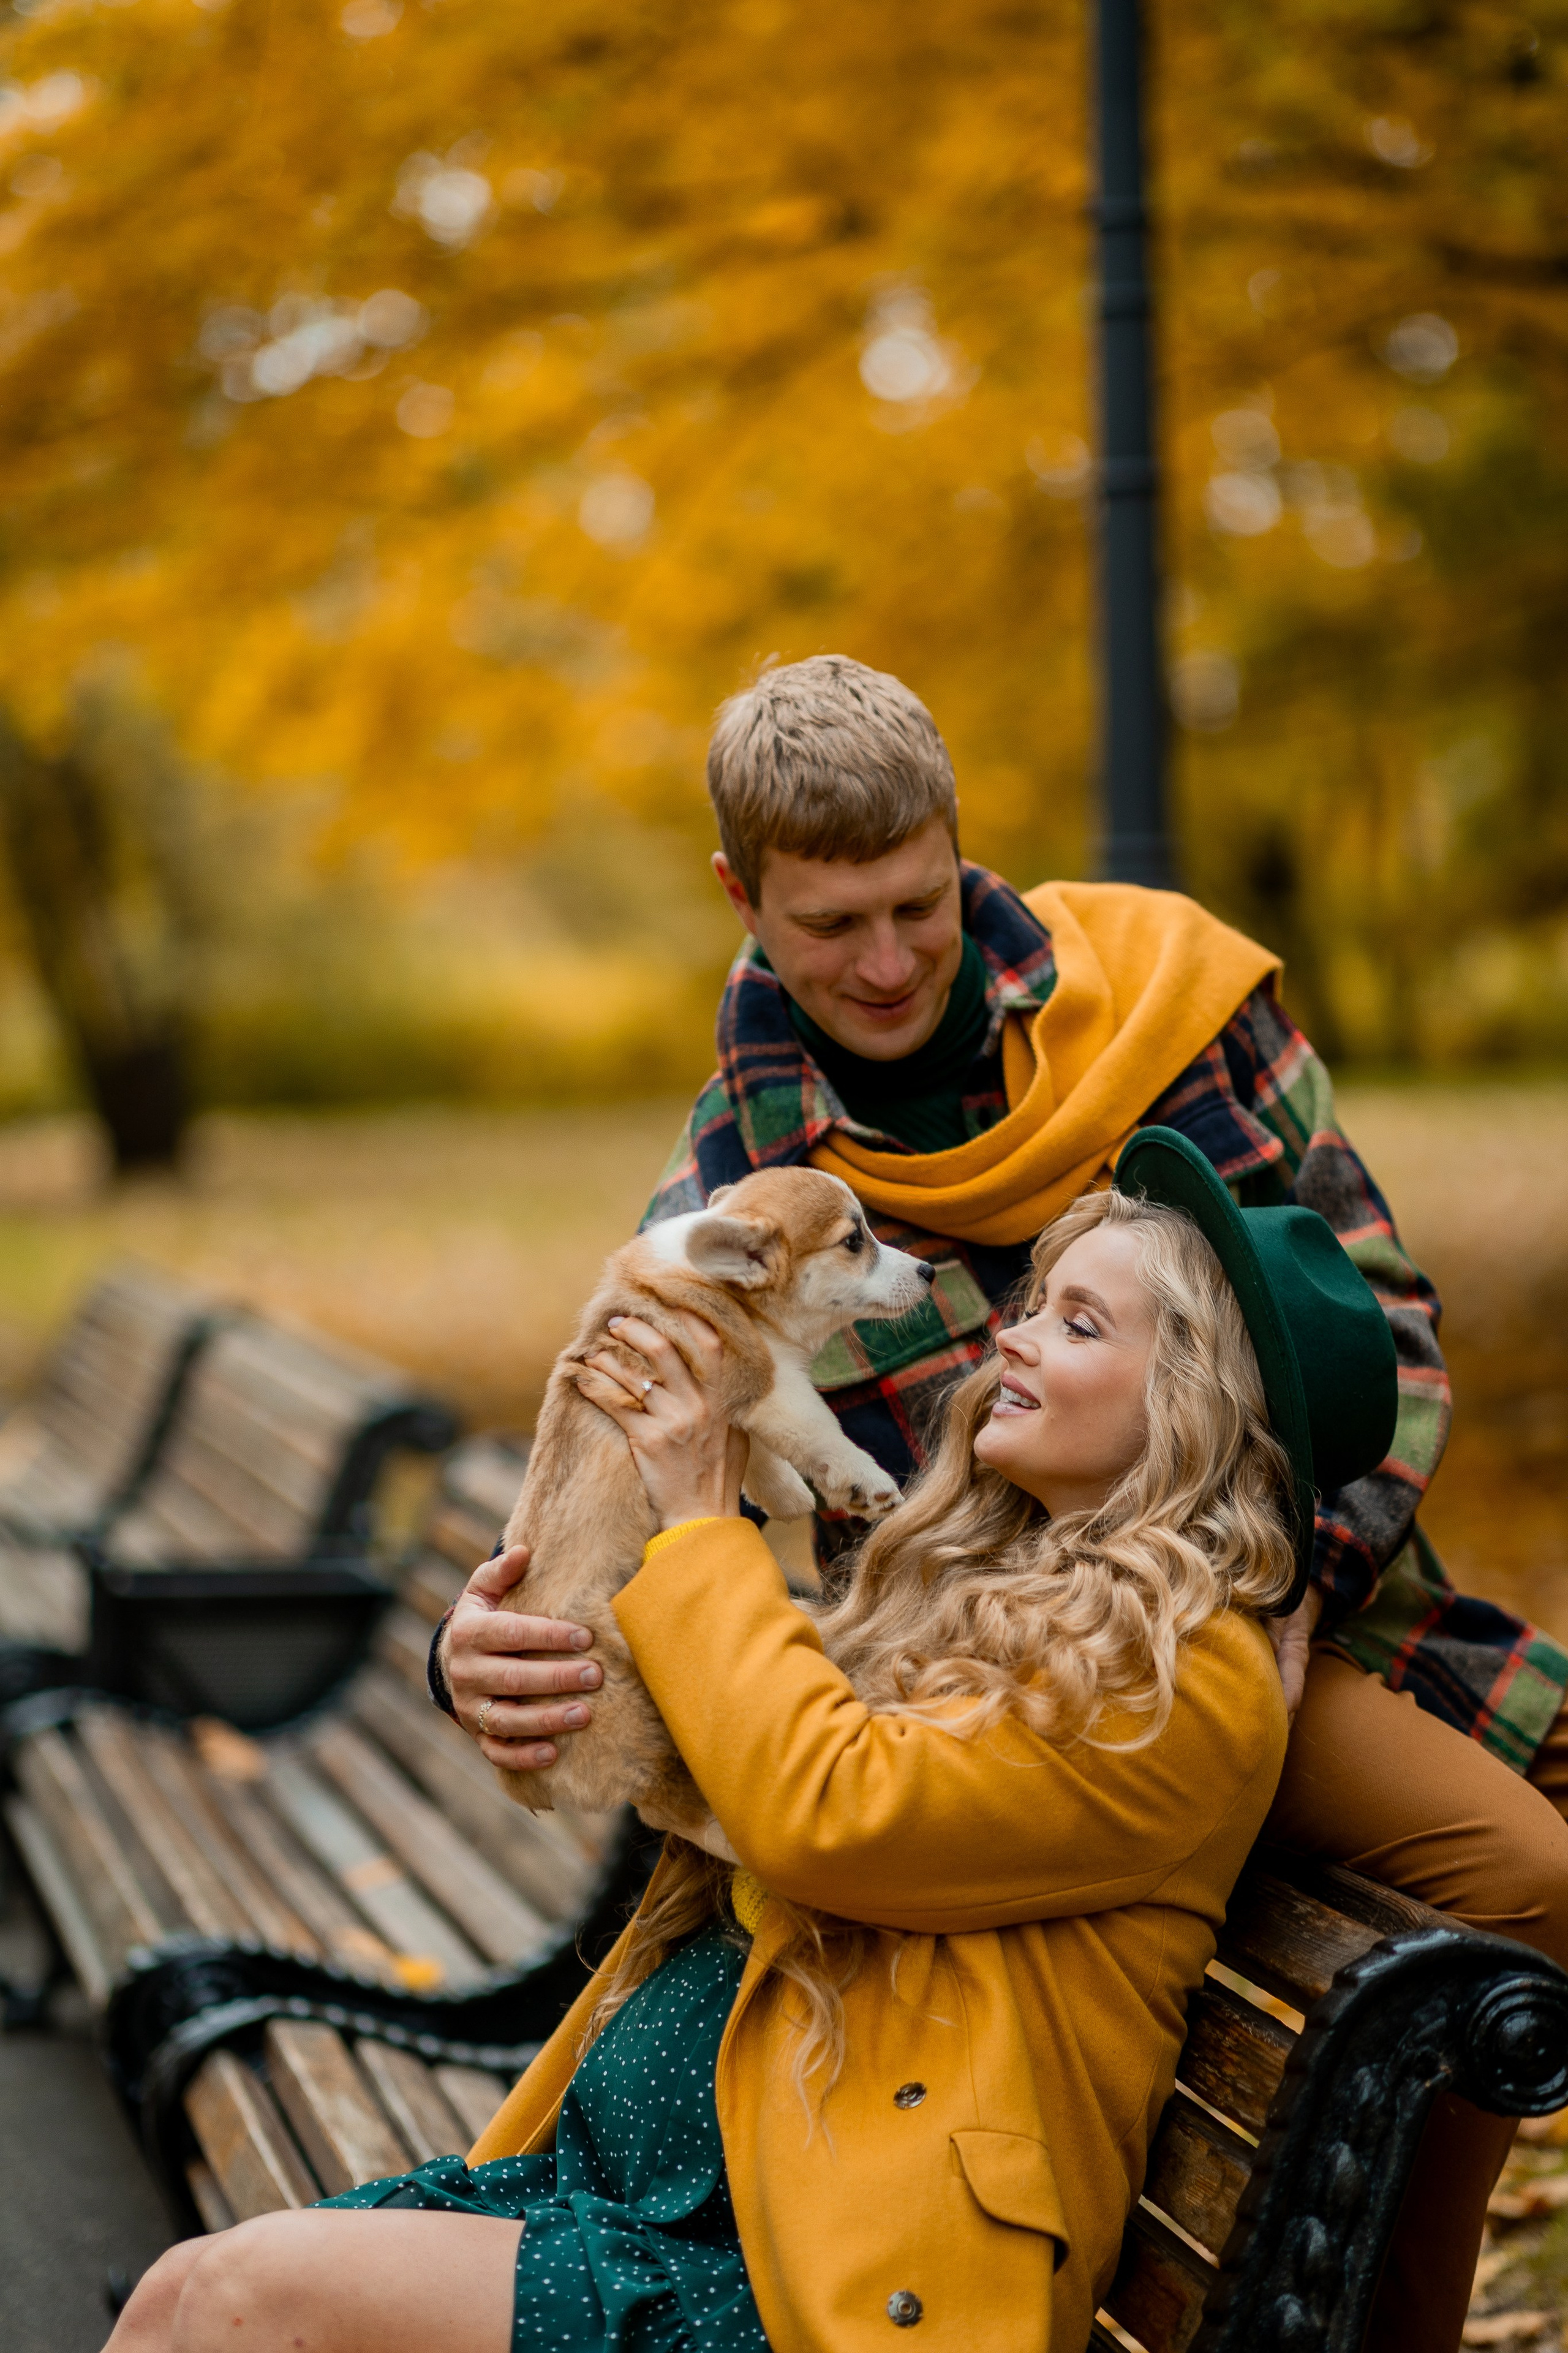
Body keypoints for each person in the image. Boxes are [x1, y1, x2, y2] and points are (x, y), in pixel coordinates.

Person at [436, 656, 1568, 2352]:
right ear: (743, 899)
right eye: (831, 927)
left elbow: (1380, 1342)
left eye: (916, 903)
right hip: (956, 1664)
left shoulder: (1169, 1002)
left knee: (1529, 1882)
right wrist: (493, 1637)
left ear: (961, 847)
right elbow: (655, 1482)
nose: (886, 963)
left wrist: (1248, 1599)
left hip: (1253, 1600)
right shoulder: (734, 1180)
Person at [107, 1133, 1398, 2353]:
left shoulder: (1173, 1676)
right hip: (664, 2193)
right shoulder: (982, 1584)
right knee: (182, 2293)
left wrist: (697, 1514)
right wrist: (486, 1654)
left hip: (807, 2280)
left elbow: (826, 1809)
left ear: (1190, 1403)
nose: (1006, 1336)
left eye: (1074, 1323)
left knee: (239, 2297)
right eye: (1035, 1302)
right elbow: (728, 1722)